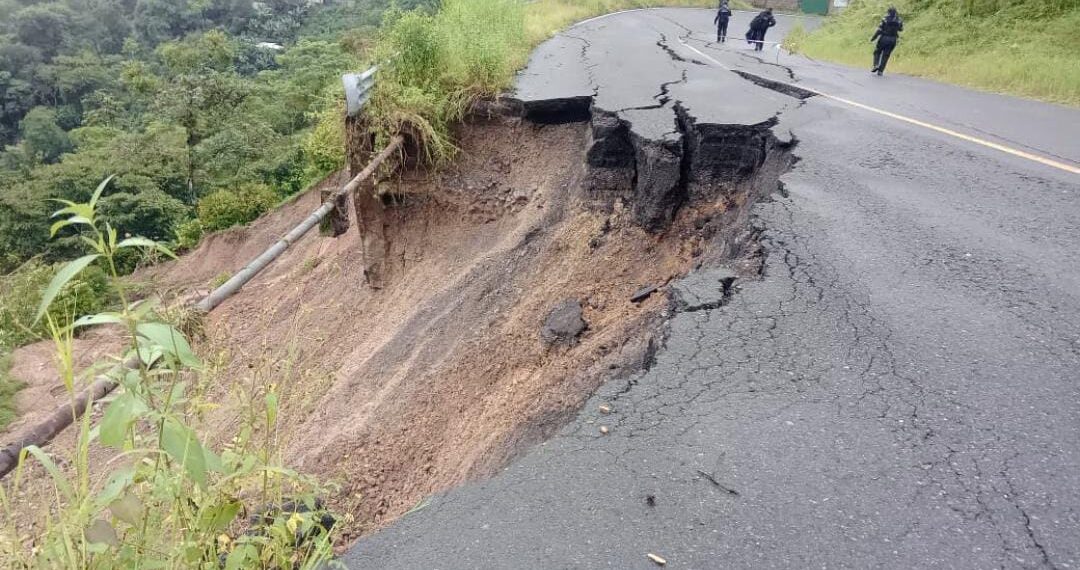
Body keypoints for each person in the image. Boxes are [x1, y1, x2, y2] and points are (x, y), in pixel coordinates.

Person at [870, 7, 904, 75]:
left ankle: (876, 65)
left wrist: (873, 38)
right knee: (886, 55)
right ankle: (880, 71)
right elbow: (901, 29)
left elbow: (879, 30)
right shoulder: (899, 20)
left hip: (884, 38)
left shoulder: (885, 19)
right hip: (893, 40)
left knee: (877, 52)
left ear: (888, 12)